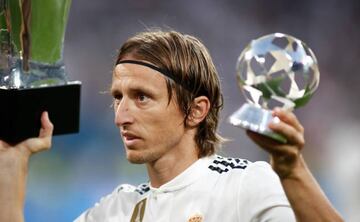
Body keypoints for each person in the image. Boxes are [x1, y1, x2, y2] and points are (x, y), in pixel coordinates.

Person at [0, 30, 343, 222]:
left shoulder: (244, 185)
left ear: (195, 111)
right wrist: (12, 161)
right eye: (118, 97)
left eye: (142, 97)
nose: (120, 116)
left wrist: (292, 169)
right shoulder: (113, 211)